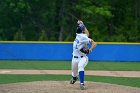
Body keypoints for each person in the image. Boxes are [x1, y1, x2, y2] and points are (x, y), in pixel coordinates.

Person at [70, 20, 96, 90]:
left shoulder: (82, 37)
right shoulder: (79, 34)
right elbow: (87, 33)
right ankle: (74, 78)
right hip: (74, 59)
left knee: (80, 66)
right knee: (74, 74)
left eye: (79, 27)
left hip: (83, 58)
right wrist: (82, 24)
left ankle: (82, 84)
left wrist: (90, 50)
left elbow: (94, 43)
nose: (78, 27)